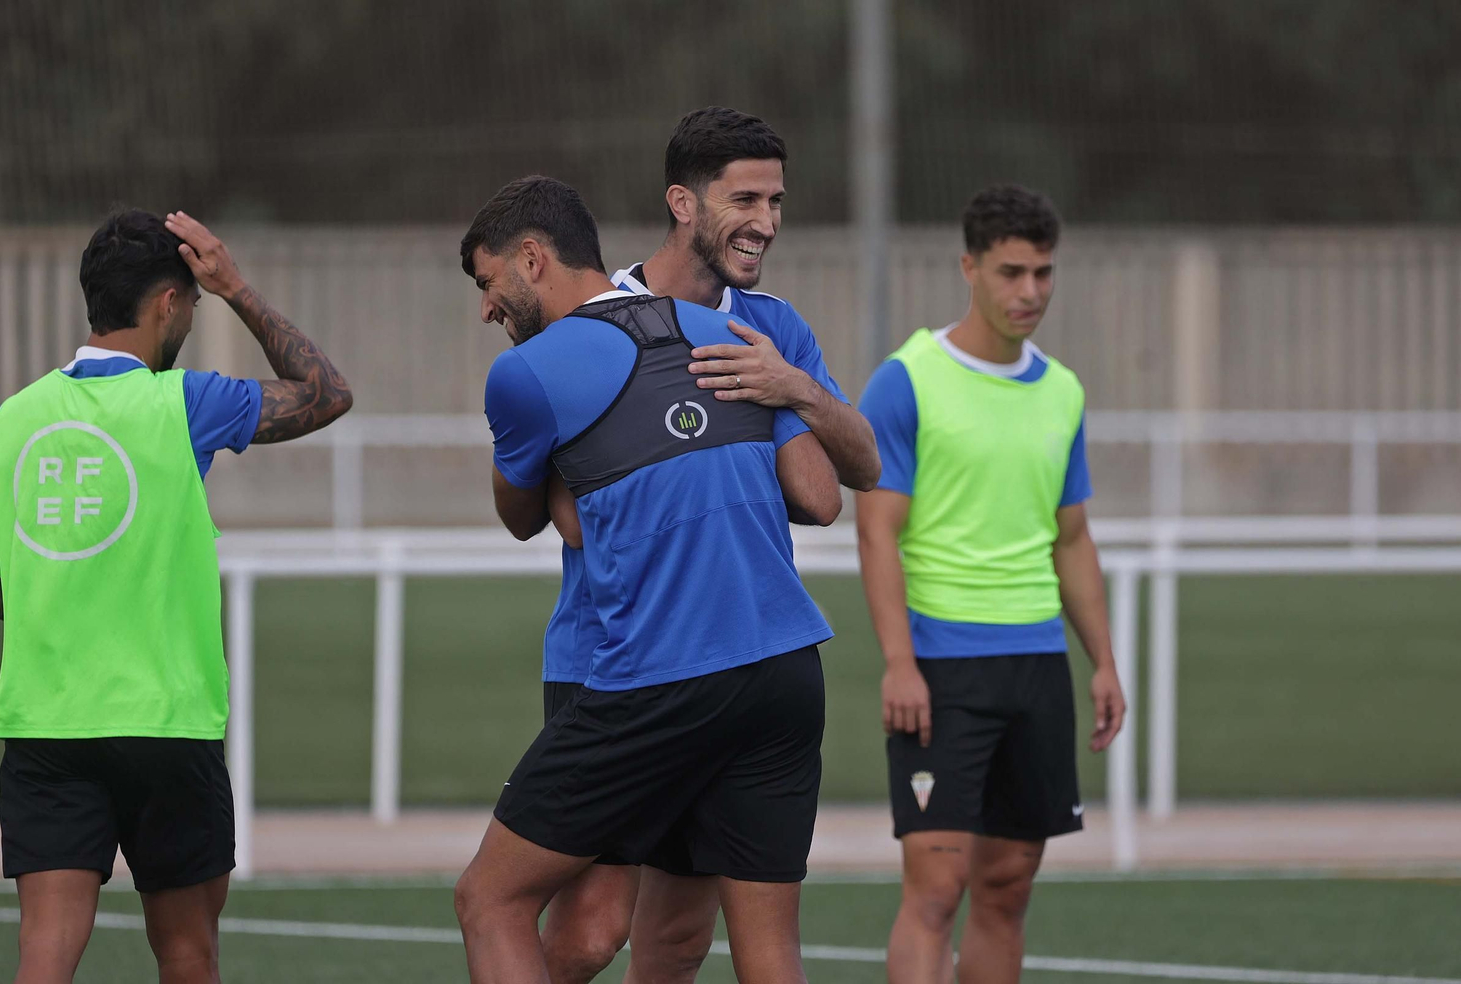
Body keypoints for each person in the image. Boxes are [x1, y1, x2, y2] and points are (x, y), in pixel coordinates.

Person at [452, 174, 839, 984]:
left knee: (489, 900)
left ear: (532, 259)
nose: (487, 309)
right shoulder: (730, 333)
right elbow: (819, 495)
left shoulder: (526, 375)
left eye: (488, 284)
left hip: (660, 674)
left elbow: (533, 517)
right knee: (770, 956)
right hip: (787, 667)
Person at [0, 208, 353, 984]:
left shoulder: (8, 423)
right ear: (169, 301)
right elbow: (325, 391)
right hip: (167, 722)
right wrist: (234, 285)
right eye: (194, 306)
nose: (194, 321)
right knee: (187, 953)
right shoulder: (186, 403)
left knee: (45, 955)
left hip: (48, 724)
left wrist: (62, 605)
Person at [540, 105, 879, 983]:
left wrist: (789, 384)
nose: (766, 222)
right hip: (613, 658)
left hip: (736, 661)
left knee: (680, 941)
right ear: (682, 202)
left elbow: (846, 479)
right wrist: (726, 459)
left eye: (776, 200)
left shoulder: (772, 328)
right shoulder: (594, 319)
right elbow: (569, 513)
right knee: (585, 936)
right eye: (745, 199)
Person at [854, 185, 1126, 984]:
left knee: (1007, 889)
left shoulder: (1063, 390)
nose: (1030, 293)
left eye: (1044, 274)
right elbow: (877, 530)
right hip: (942, 670)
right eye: (1011, 272)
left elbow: (1071, 537)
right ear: (968, 267)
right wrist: (899, 662)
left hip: (1037, 666)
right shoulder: (907, 380)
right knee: (935, 891)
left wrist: (1102, 660)